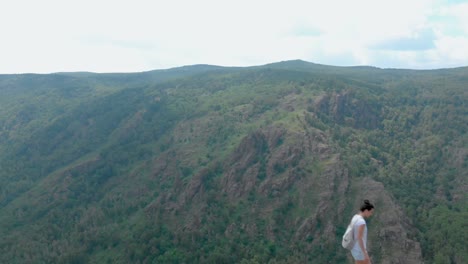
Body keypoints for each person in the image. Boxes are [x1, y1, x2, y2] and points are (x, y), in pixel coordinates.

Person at [350, 200, 374, 264]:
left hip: (354, 248)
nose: (371, 214)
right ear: (366, 211)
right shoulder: (361, 222)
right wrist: (364, 252)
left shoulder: (355, 217)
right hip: (359, 250)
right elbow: (359, 238)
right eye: (370, 212)